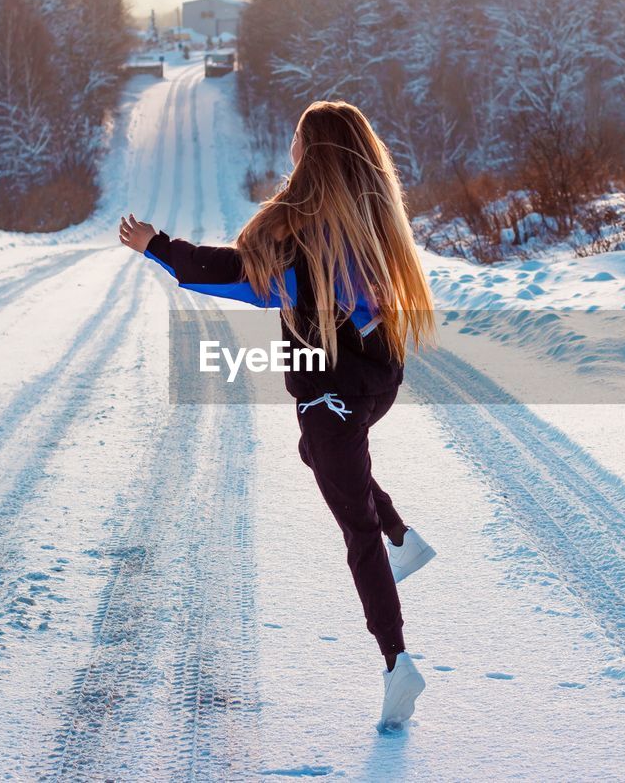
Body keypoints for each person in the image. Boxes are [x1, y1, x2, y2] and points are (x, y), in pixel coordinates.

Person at [118, 100, 437, 731]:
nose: (290, 149)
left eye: (297, 140)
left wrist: (157, 247)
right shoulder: (372, 223)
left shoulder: (303, 241)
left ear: (311, 153)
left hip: (331, 397)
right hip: (379, 384)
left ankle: (398, 662)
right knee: (320, 455)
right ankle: (404, 536)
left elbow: (236, 276)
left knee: (354, 528)